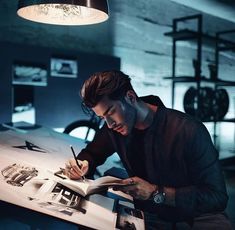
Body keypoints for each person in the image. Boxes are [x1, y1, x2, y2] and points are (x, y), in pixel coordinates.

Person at [64, 70, 232, 229]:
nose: (109, 124)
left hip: (194, 219)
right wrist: (82, 163)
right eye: (102, 118)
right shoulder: (115, 127)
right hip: (148, 217)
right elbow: (93, 153)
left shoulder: (189, 130)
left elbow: (216, 197)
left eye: (110, 112)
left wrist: (155, 192)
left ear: (130, 97)